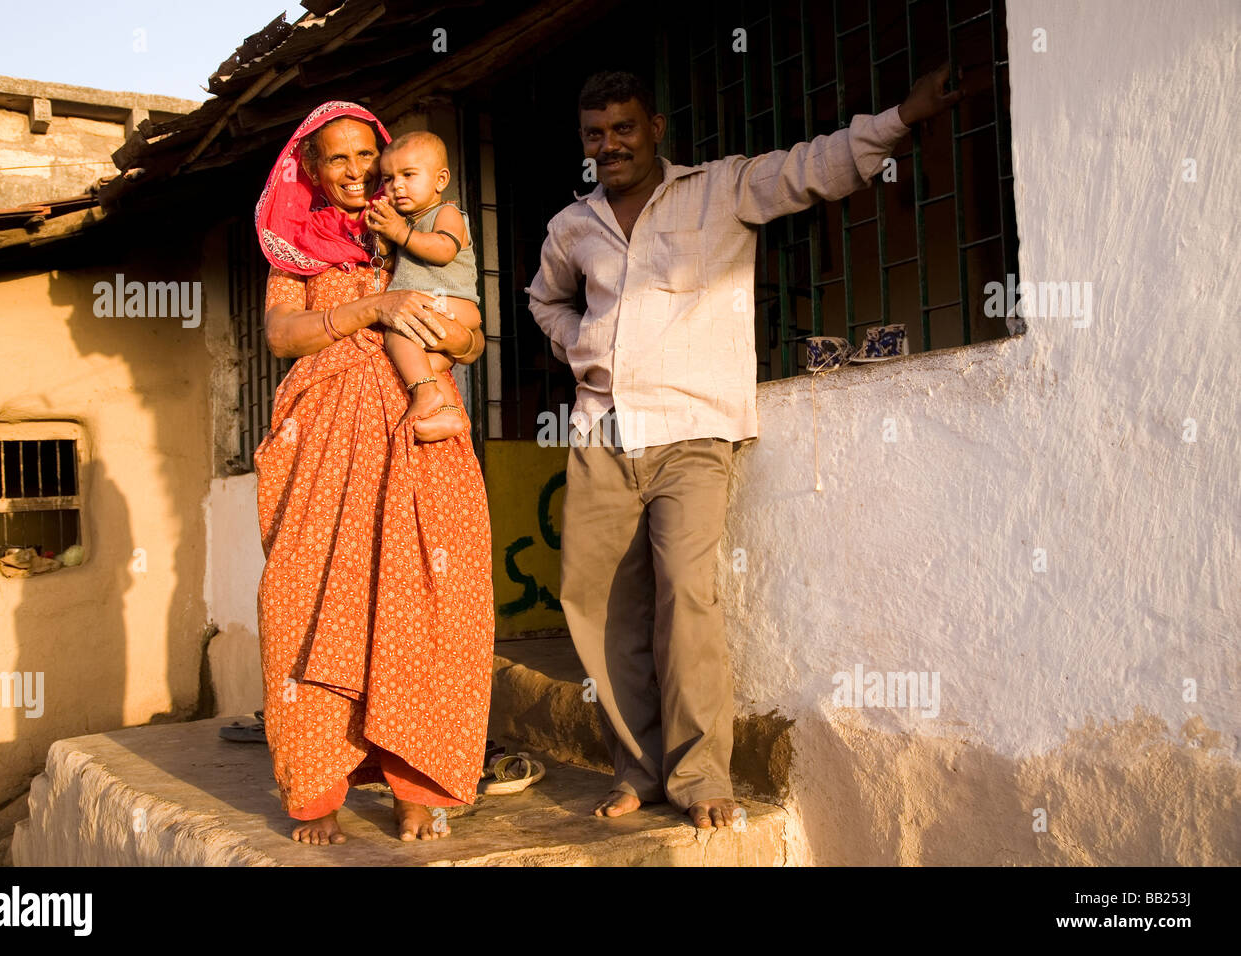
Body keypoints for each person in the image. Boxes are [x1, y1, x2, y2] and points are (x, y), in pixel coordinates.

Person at [526, 68, 961, 829]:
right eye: (596, 134)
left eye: (624, 128)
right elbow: (543, 300)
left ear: (655, 127)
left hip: (694, 431)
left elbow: (813, 167)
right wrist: (580, 343)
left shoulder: (721, 189)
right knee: (600, 611)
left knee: (686, 598)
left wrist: (902, 116)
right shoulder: (573, 226)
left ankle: (699, 776)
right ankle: (639, 771)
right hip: (602, 431)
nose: (610, 145)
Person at [254, 101, 493, 845]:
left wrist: (446, 331)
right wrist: (374, 309)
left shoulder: (422, 228)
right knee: (305, 599)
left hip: (419, 438)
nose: (359, 172)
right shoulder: (295, 248)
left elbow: (474, 335)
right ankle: (318, 790)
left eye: (369, 155)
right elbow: (281, 336)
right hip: (322, 446)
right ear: (314, 172)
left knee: (427, 599)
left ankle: (415, 786)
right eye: (340, 159)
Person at [364, 130, 480, 443]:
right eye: (388, 179)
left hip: (448, 302)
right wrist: (383, 237)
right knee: (424, 364)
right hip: (439, 308)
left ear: (440, 180)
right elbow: (388, 262)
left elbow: (443, 250)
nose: (397, 186)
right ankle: (449, 412)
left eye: (408, 175)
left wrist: (400, 233)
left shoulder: (447, 213)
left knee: (397, 335)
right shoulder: (408, 221)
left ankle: (426, 394)